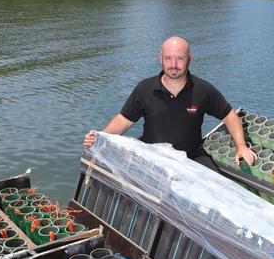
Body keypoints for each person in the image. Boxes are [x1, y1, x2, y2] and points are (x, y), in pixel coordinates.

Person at [83, 36, 256, 170]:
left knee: (219, 189)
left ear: (190, 59)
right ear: (161, 58)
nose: (174, 65)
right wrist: (100, 137)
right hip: (151, 155)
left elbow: (229, 115)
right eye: (168, 58)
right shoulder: (145, 88)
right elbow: (124, 120)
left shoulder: (203, 90)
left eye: (180, 58)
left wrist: (241, 146)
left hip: (191, 155)